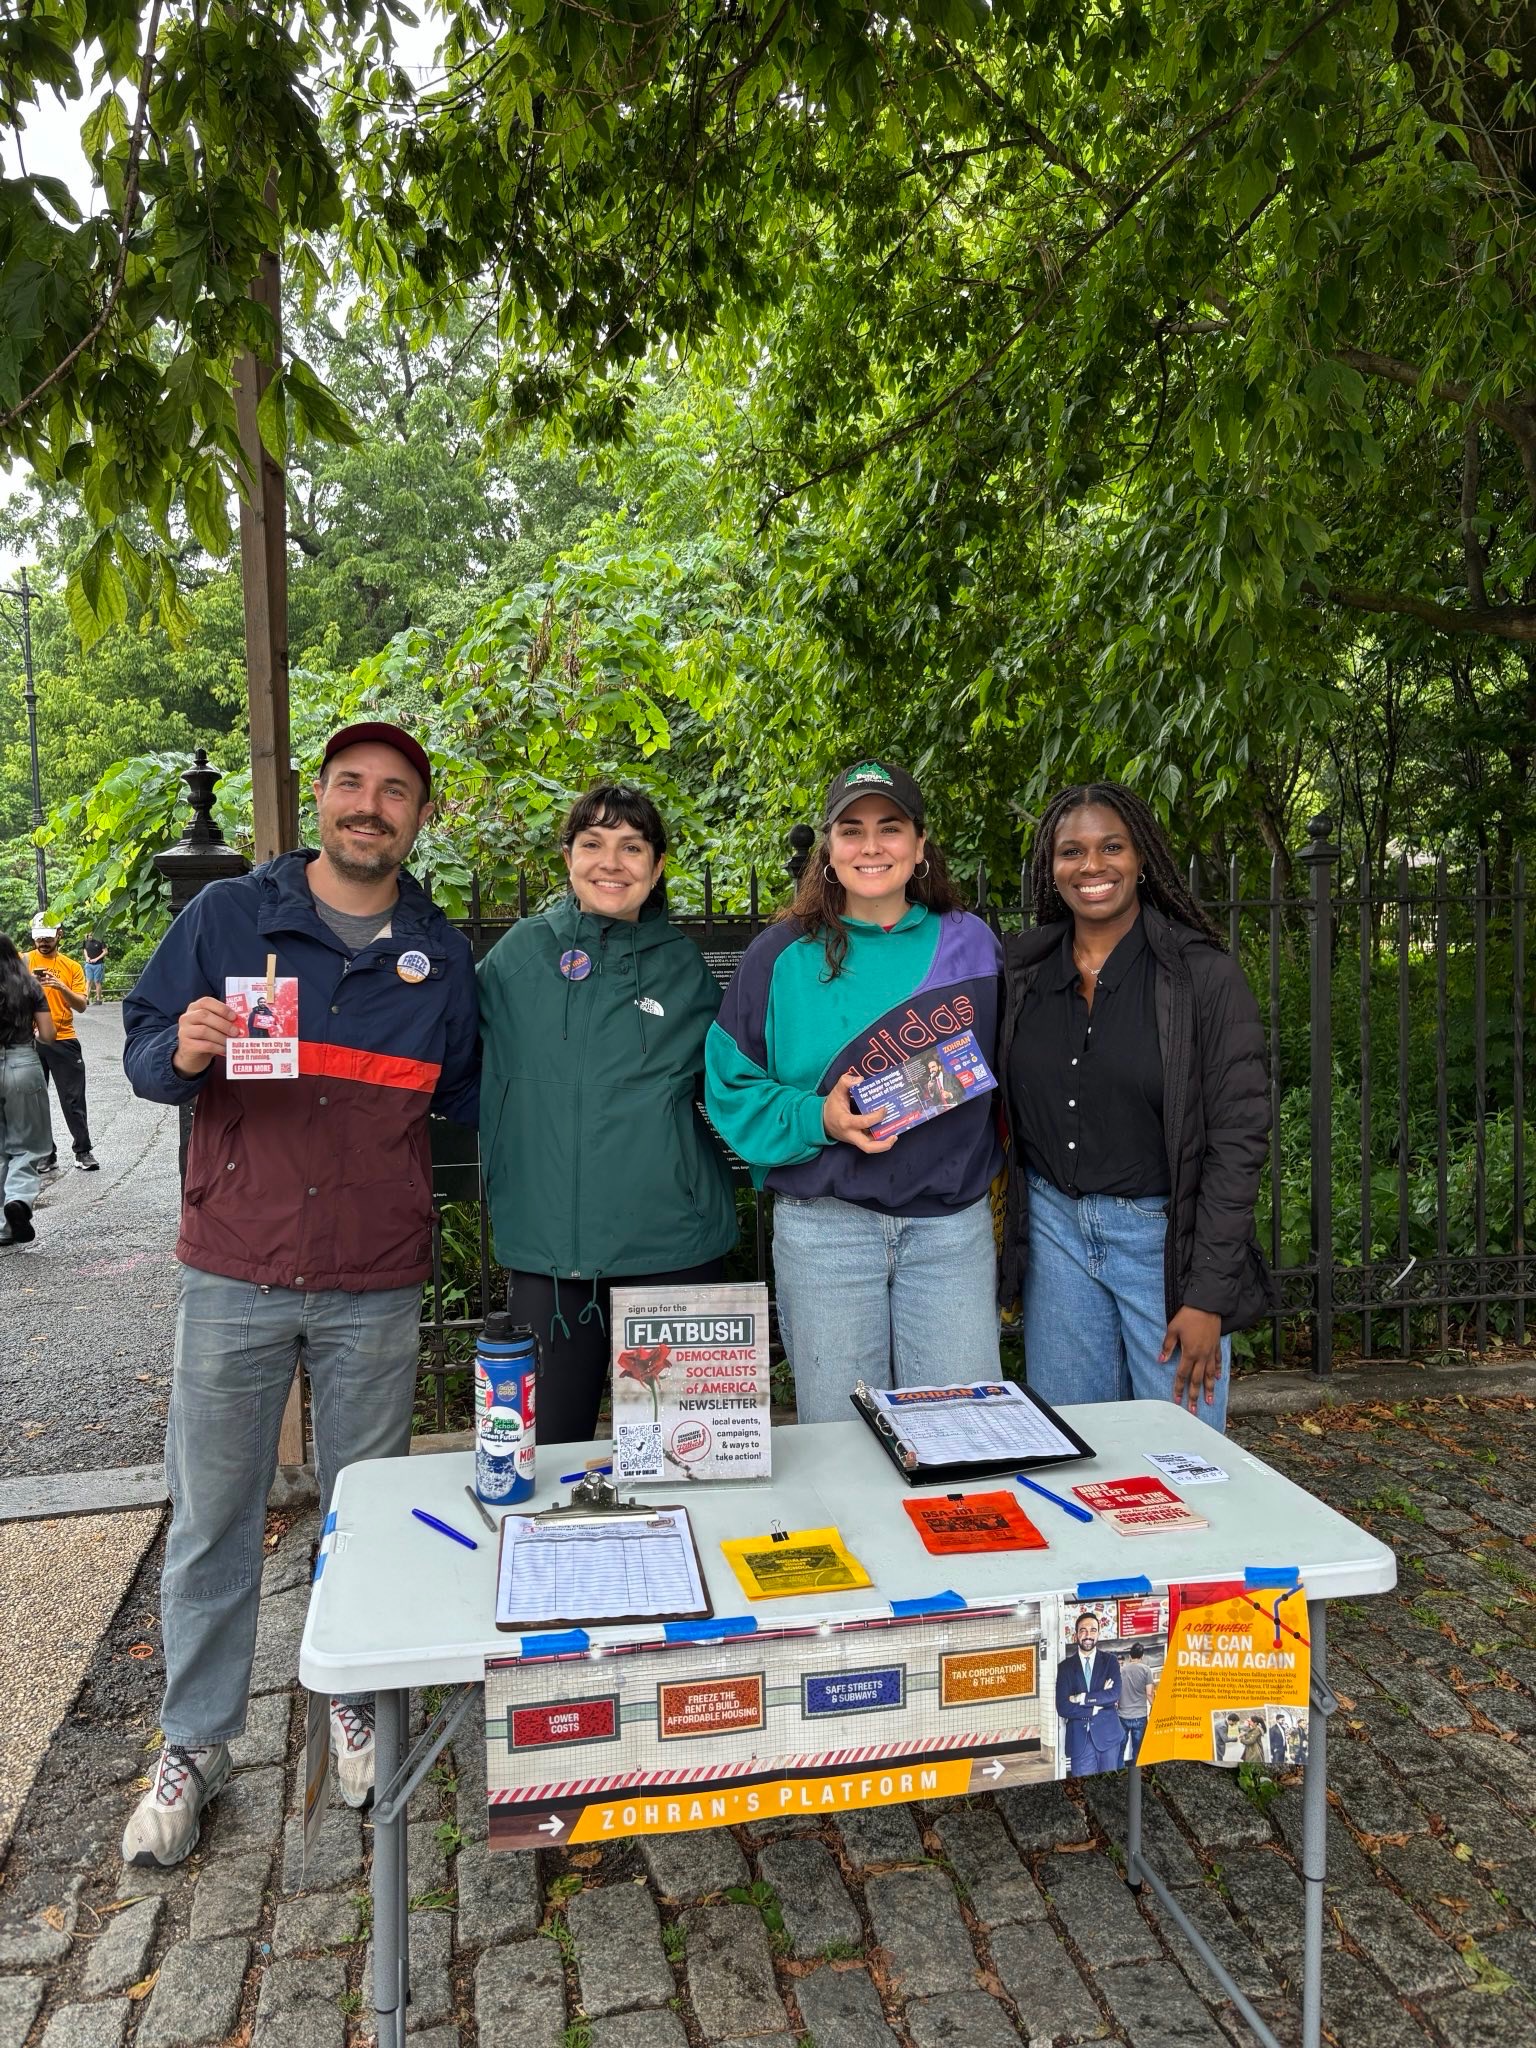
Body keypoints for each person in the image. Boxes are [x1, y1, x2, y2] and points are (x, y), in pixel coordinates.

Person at [119, 722, 480, 1867]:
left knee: (362, 1513)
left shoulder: (441, 952)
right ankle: (194, 1737)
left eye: (395, 792)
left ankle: (353, 1694)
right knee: (213, 1515)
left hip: (375, 1276)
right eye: (351, 786)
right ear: (320, 800)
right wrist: (181, 1044)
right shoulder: (228, 918)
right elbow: (136, 1053)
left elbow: (465, 1098)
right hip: (235, 1265)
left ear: (422, 815)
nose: (369, 806)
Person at [707, 761, 1003, 1423]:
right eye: (852, 830)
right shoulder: (779, 956)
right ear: (829, 851)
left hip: (949, 1231)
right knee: (842, 1442)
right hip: (825, 1231)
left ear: (921, 846)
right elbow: (730, 1089)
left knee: (963, 1433)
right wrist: (821, 1118)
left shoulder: (974, 945)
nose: (872, 846)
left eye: (890, 828)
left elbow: (1015, 1076)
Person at [999, 783, 1273, 1433]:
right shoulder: (1020, 972)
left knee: (1183, 1456)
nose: (1092, 865)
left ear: (1141, 858)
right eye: (1072, 851)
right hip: (1055, 1236)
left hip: (1161, 1245)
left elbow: (1238, 1142)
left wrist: (1206, 1296)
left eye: (1111, 847)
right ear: (1051, 867)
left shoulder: (1201, 976)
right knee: (1076, 1447)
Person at [476, 783, 738, 1445]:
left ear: (656, 866)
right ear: (567, 857)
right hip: (551, 1259)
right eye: (592, 843)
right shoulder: (517, 958)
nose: (611, 861)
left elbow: (740, 1086)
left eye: (632, 846)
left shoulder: (685, 969)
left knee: (689, 1462)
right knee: (545, 1461)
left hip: (675, 1246)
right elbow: (444, 1052)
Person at [27, 917, 99, 1171]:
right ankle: (46, 1153)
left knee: (73, 1099)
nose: (42, 942)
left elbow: (81, 1005)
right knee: (34, 1101)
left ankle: (83, 1151)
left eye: (47, 936)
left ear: (59, 934)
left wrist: (59, 986)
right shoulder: (23, 962)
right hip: (29, 1041)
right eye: (38, 936)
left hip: (64, 1039)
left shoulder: (71, 966)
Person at [0, 932, 55, 1246]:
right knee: (29, 1144)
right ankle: (18, 1200)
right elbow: (48, 1035)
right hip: (23, 1062)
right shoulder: (30, 987)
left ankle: (3, 1227)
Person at [1055, 1609, 1123, 1776]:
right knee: (1084, 1788)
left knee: (1110, 1789)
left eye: (1093, 1630)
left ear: (1098, 1634)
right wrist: (1094, 1706)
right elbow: (1062, 1706)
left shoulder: (1110, 1662)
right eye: (1083, 1630)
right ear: (1076, 1635)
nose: (1088, 1634)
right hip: (1080, 1741)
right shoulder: (1065, 1667)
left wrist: (1081, 1698)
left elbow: (1114, 1694)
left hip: (1108, 1737)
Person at [1119, 1642, 1155, 1766]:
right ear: (1142, 1656)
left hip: (1122, 1715)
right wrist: (1154, 1708)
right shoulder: (1146, 1670)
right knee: (1138, 1751)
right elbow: (1149, 1693)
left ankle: (1118, 1772)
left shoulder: (1122, 1670)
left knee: (1120, 1750)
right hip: (1139, 1716)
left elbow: (1117, 1692)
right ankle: (1135, 1776)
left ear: (1130, 1656)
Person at [82, 933, 108, 1003]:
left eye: (91, 935)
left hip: (98, 964)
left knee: (97, 982)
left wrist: (96, 959)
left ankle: (98, 999)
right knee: (88, 981)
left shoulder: (100, 941)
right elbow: (84, 949)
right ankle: (86, 998)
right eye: (89, 935)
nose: (90, 937)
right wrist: (87, 957)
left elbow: (105, 952)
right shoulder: (86, 941)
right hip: (89, 964)